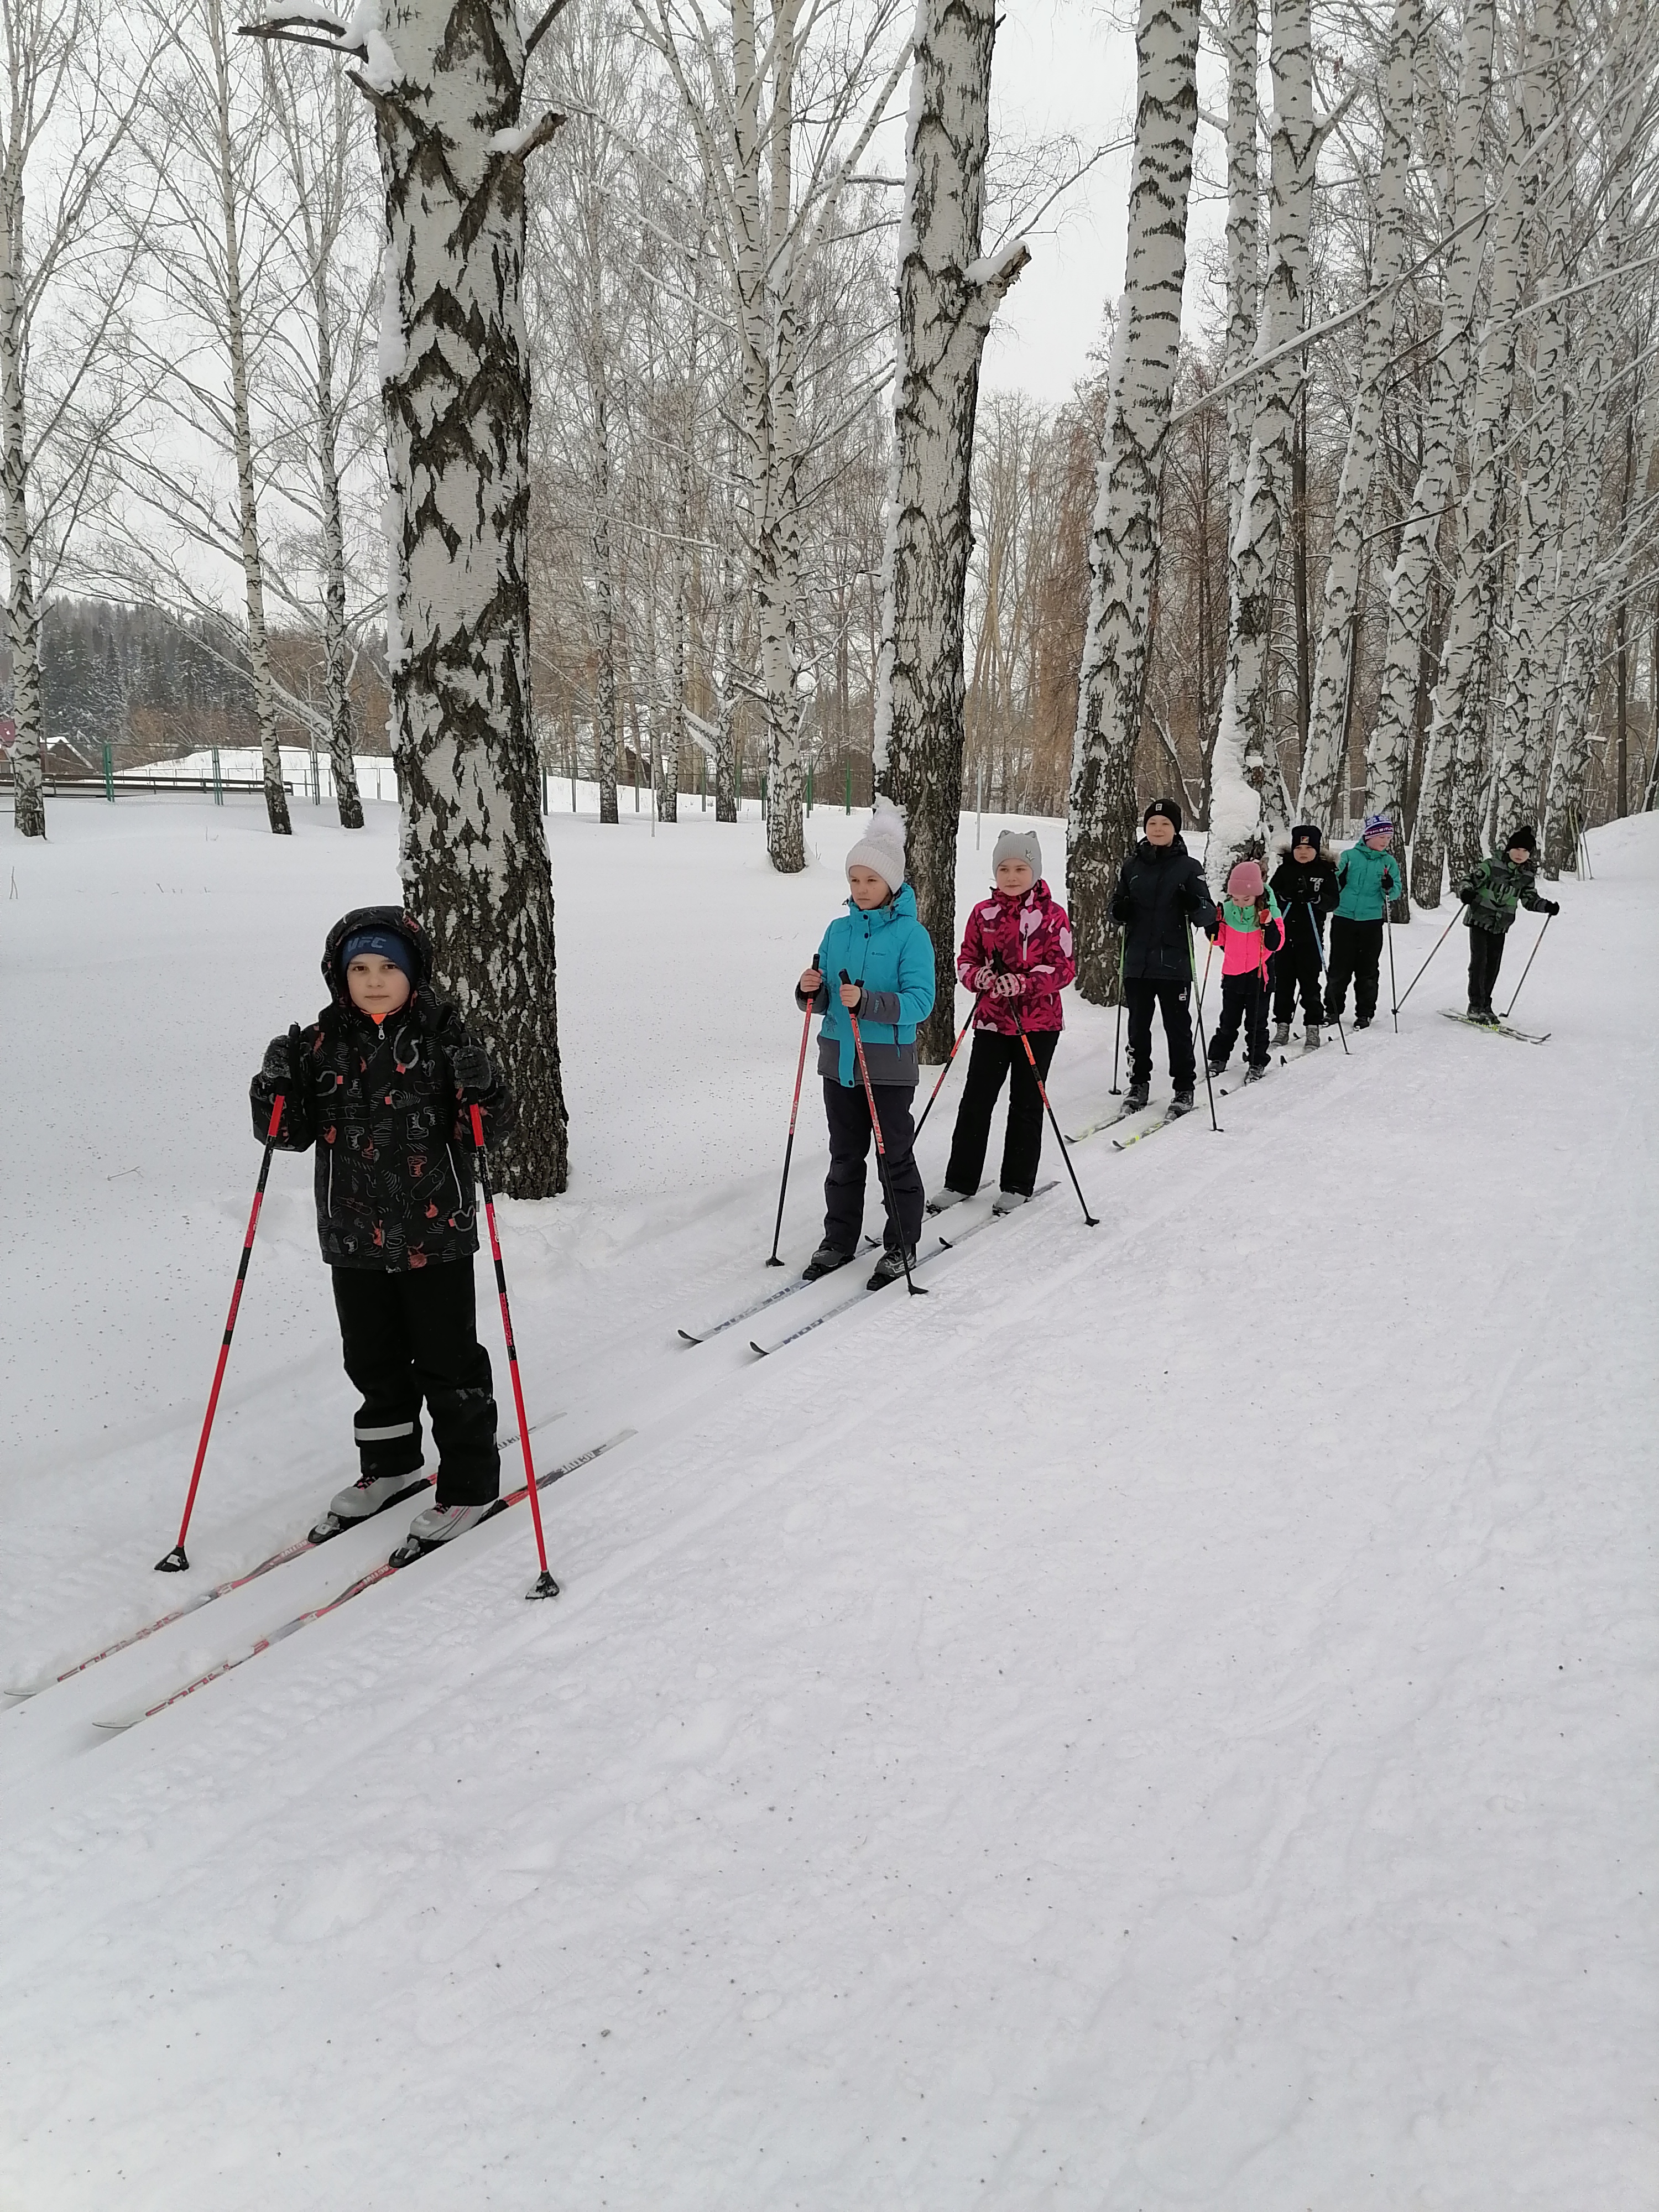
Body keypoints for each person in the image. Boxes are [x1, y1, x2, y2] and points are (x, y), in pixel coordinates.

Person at [249, 906, 515, 1550]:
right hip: (353, 1233)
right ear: (338, 974)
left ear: (415, 972)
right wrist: (273, 1085)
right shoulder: (317, 1046)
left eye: (389, 967)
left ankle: (470, 1483)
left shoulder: (445, 1040)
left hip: (435, 1232)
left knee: (449, 1362)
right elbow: (284, 1134)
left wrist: (485, 1088)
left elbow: (485, 1131)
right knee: (372, 1359)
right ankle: (392, 1465)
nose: (373, 980)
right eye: (360, 968)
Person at [795, 800, 935, 1289]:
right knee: (844, 1156)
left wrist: (871, 1002)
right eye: (854, 880)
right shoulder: (838, 930)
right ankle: (839, 1240)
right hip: (839, 1063)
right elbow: (826, 1000)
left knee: (893, 1156)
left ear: (891, 882)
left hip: (887, 1067)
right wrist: (811, 992)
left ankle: (902, 1243)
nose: (860, 889)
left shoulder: (912, 935)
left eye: (871, 880)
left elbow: (921, 1002)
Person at [928, 827, 1075, 1216]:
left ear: (1035, 871)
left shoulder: (1052, 916)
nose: (1011, 877)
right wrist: (978, 977)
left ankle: (1017, 1183)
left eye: (1020, 869)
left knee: (1026, 1102)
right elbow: (966, 960)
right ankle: (960, 1181)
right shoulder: (983, 913)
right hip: (992, 1021)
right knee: (976, 1101)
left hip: (1038, 1024)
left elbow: (1064, 968)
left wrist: (1025, 982)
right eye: (1004, 869)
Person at [1108, 797, 1218, 1117]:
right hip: (1137, 963)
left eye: (1165, 824)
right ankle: (1138, 1084)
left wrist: (1194, 904)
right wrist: (1119, 911)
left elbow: (1208, 915)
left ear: (1175, 829)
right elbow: (1114, 908)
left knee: (1177, 1028)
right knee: (1137, 1029)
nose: (1158, 829)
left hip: (1174, 963)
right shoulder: (1132, 865)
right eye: (1152, 824)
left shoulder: (1189, 867)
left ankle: (1184, 1087)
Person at [1458, 825, 1559, 1022]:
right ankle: (1475, 1005)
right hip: (1480, 919)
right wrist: (1466, 892)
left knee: (1493, 966)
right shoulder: (1492, 865)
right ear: (1509, 849)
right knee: (1479, 962)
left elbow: (1529, 900)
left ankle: (1486, 1005)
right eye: (1517, 849)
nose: (1520, 854)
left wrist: (1546, 906)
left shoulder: (1526, 876)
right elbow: (1468, 880)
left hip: (1501, 925)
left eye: (1525, 851)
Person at [1204, 860, 1285, 1083]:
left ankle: (1257, 1061)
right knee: (1228, 1022)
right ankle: (1218, 1058)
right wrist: (1212, 925)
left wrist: (1268, 926)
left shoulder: (1270, 911)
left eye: (1246, 899)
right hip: (1233, 974)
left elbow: (1276, 944)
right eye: (1236, 898)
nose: (1240, 903)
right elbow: (1218, 940)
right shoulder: (1227, 911)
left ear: (1257, 894)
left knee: (1256, 1024)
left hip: (1260, 976)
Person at [1325, 812, 1403, 1030]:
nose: (1385, 842)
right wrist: (1337, 881)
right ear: (1369, 836)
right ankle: (1332, 1010)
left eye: (1388, 838)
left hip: (1371, 921)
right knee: (1339, 968)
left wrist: (1389, 886)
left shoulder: (1388, 862)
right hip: (1344, 918)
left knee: (1368, 970)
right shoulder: (1349, 857)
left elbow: (1396, 891)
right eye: (1382, 837)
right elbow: (1333, 883)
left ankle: (1365, 1013)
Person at [1268, 822, 1338, 1047]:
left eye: (1308, 848)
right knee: (1283, 984)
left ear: (1317, 850)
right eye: (1299, 848)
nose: (1303, 852)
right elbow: (1270, 896)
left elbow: (1333, 902)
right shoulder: (1285, 870)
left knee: (1310, 985)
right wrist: (1283, 896)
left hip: (1311, 937)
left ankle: (1313, 1026)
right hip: (1284, 937)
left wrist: (1317, 898)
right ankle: (1282, 1025)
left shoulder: (1325, 872)